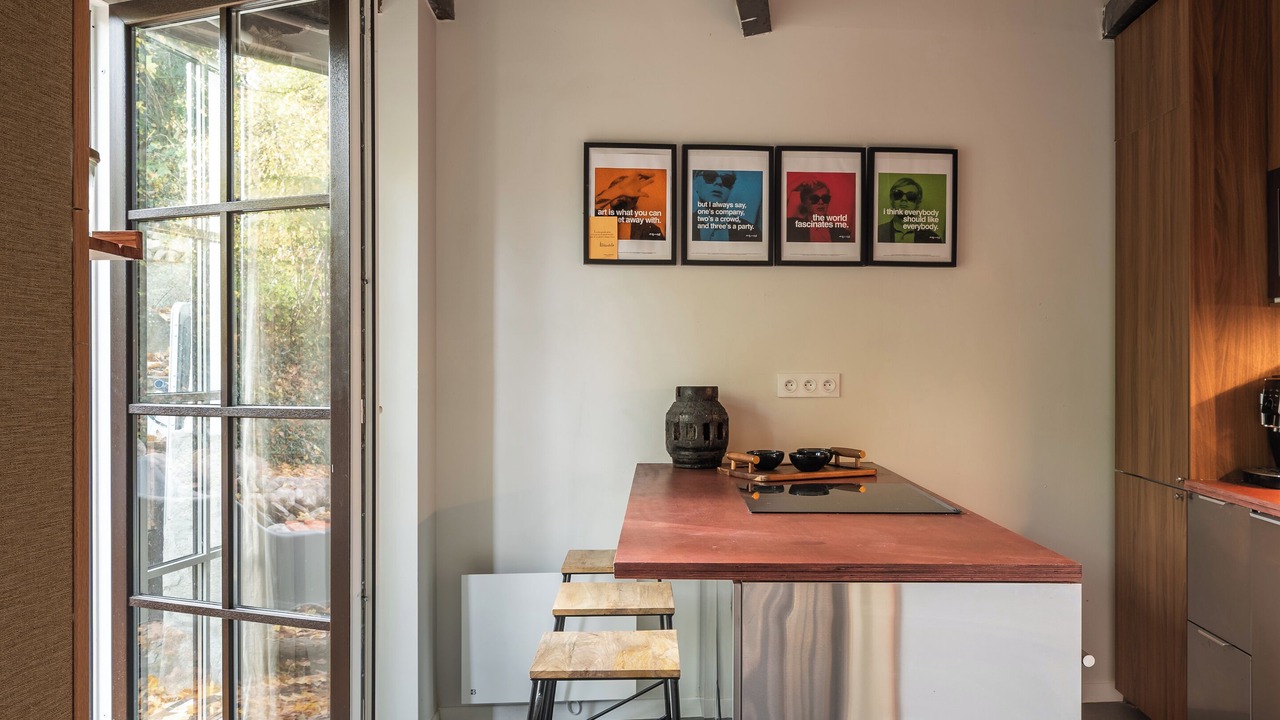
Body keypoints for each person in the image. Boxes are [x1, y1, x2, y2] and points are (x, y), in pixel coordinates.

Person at [691, 170, 760, 241]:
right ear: (695, 183)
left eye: (727, 180)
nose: (719, 182)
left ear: (731, 188)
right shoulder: (685, 224)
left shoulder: (752, 232)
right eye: (710, 176)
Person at [594, 171, 664, 239]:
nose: (621, 195)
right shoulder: (598, 223)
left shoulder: (649, 229)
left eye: (628, 193)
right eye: (616, 193)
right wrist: (618, 190)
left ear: (635, 201)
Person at [876, 177, 943, 243]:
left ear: (918, 203)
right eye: (898, 194)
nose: (904, 199)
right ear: (891, 200)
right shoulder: (877, 233)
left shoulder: (933, 238)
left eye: (911, 196)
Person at [785, 180, 852, 242]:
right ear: (804, 202)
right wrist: (796, 185)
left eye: (825, 198)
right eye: (815, 198)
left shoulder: (841, 232)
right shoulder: (792, 226)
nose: (821, 202)